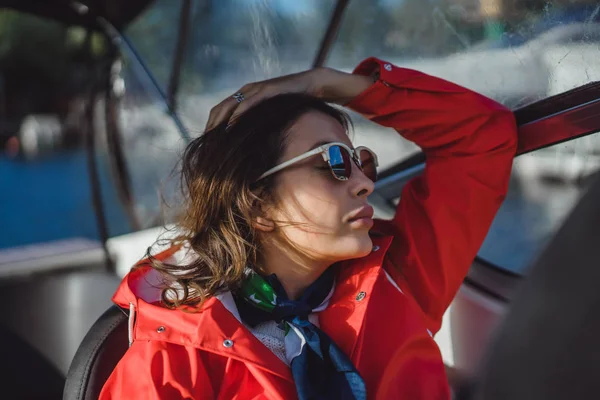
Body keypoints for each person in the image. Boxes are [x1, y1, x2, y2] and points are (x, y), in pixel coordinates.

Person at [99, 57, 517, 399]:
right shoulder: (174, 358)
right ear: (258, 204)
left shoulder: (398, 276)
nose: (364, 183)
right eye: (333, 162)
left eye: (360, 160)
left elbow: (481, 137)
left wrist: (327, 84)